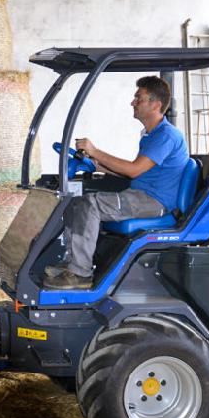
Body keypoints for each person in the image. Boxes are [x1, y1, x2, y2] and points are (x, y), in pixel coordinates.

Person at [44, 76, 190, 290]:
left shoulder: (166, 135)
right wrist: (98, 165)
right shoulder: (151, 135)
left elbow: (134, 169)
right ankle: (72, 263)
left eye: (138, 98)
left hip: (154, 202)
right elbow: (137, 173)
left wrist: (96, 151)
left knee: (90, 204)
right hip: (141, 194)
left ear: (156, 105)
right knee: (75, 202)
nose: (133, 102)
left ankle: (81, 274)